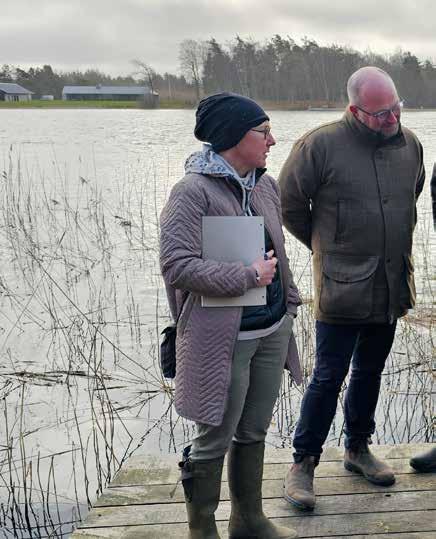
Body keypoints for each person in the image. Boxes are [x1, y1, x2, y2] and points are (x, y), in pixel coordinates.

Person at [278, 66, 425, 511]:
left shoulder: (411, 145)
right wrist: (327, 249)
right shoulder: (318, 146)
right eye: (381, 114)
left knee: (370, 371)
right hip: (340, 287)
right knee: (327, 376)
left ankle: (357, 449)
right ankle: (303, 463)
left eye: (396, 108)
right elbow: (288, 206)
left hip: (390, 284)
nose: (391, 119)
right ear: (354, 110)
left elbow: (411, 195)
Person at [159, 92, 301, 539]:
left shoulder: (265, 185)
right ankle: (202, 531)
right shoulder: (191, 192)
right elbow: (177, 265)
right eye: (264, 132)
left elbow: (278, 250)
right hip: (223, 340)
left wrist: (289, 302)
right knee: (214, 438)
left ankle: (249, 522)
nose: (272, 140)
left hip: (272, 330)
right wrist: (246, 276)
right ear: (234, 136)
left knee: (254, 430)